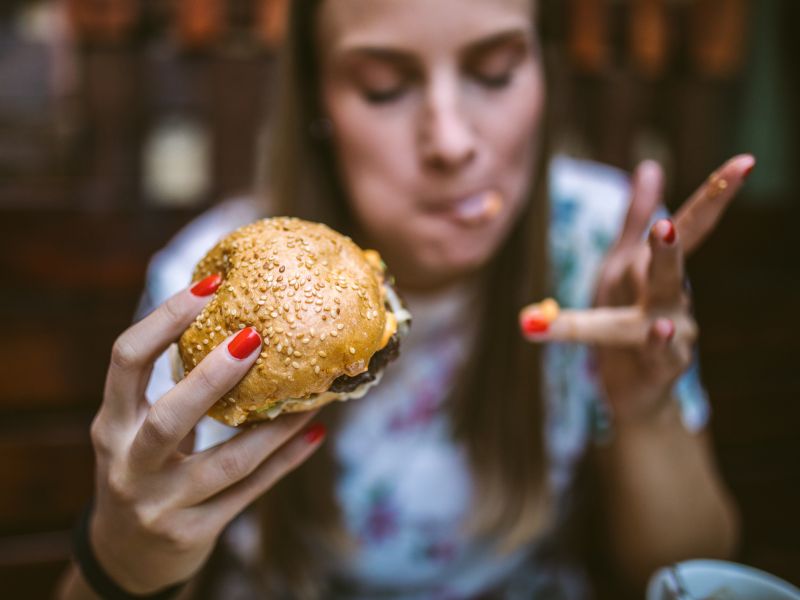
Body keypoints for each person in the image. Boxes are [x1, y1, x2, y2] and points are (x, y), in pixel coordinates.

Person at [57, 0, 748, 598]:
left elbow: (686, 570)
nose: (450, 142)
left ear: (546, 73)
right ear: (319, 104)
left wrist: (646, 412)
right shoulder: (212, 290)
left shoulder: (606, 246)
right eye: (384, 87)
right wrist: (129, 557)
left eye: (495, 73)